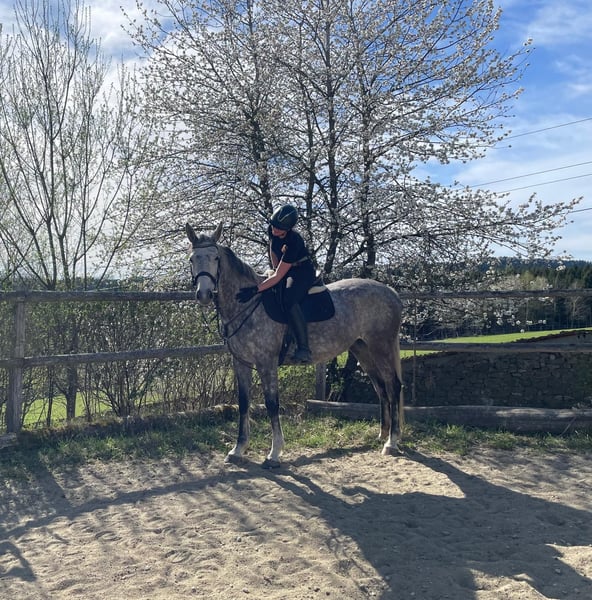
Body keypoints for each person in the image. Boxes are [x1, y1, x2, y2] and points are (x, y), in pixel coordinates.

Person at [236, 204, 315, 363]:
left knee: (289, 299)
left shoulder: (294, 241)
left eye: (279, 228)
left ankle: (303, 348)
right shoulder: (272, 230)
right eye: (273, 225)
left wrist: (255, 290)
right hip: (284, 268)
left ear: (288, 229)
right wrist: (274, 268)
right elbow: (273, 249)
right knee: (272, 291)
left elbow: (279, 275)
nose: (274, 229)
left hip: (302, 272)